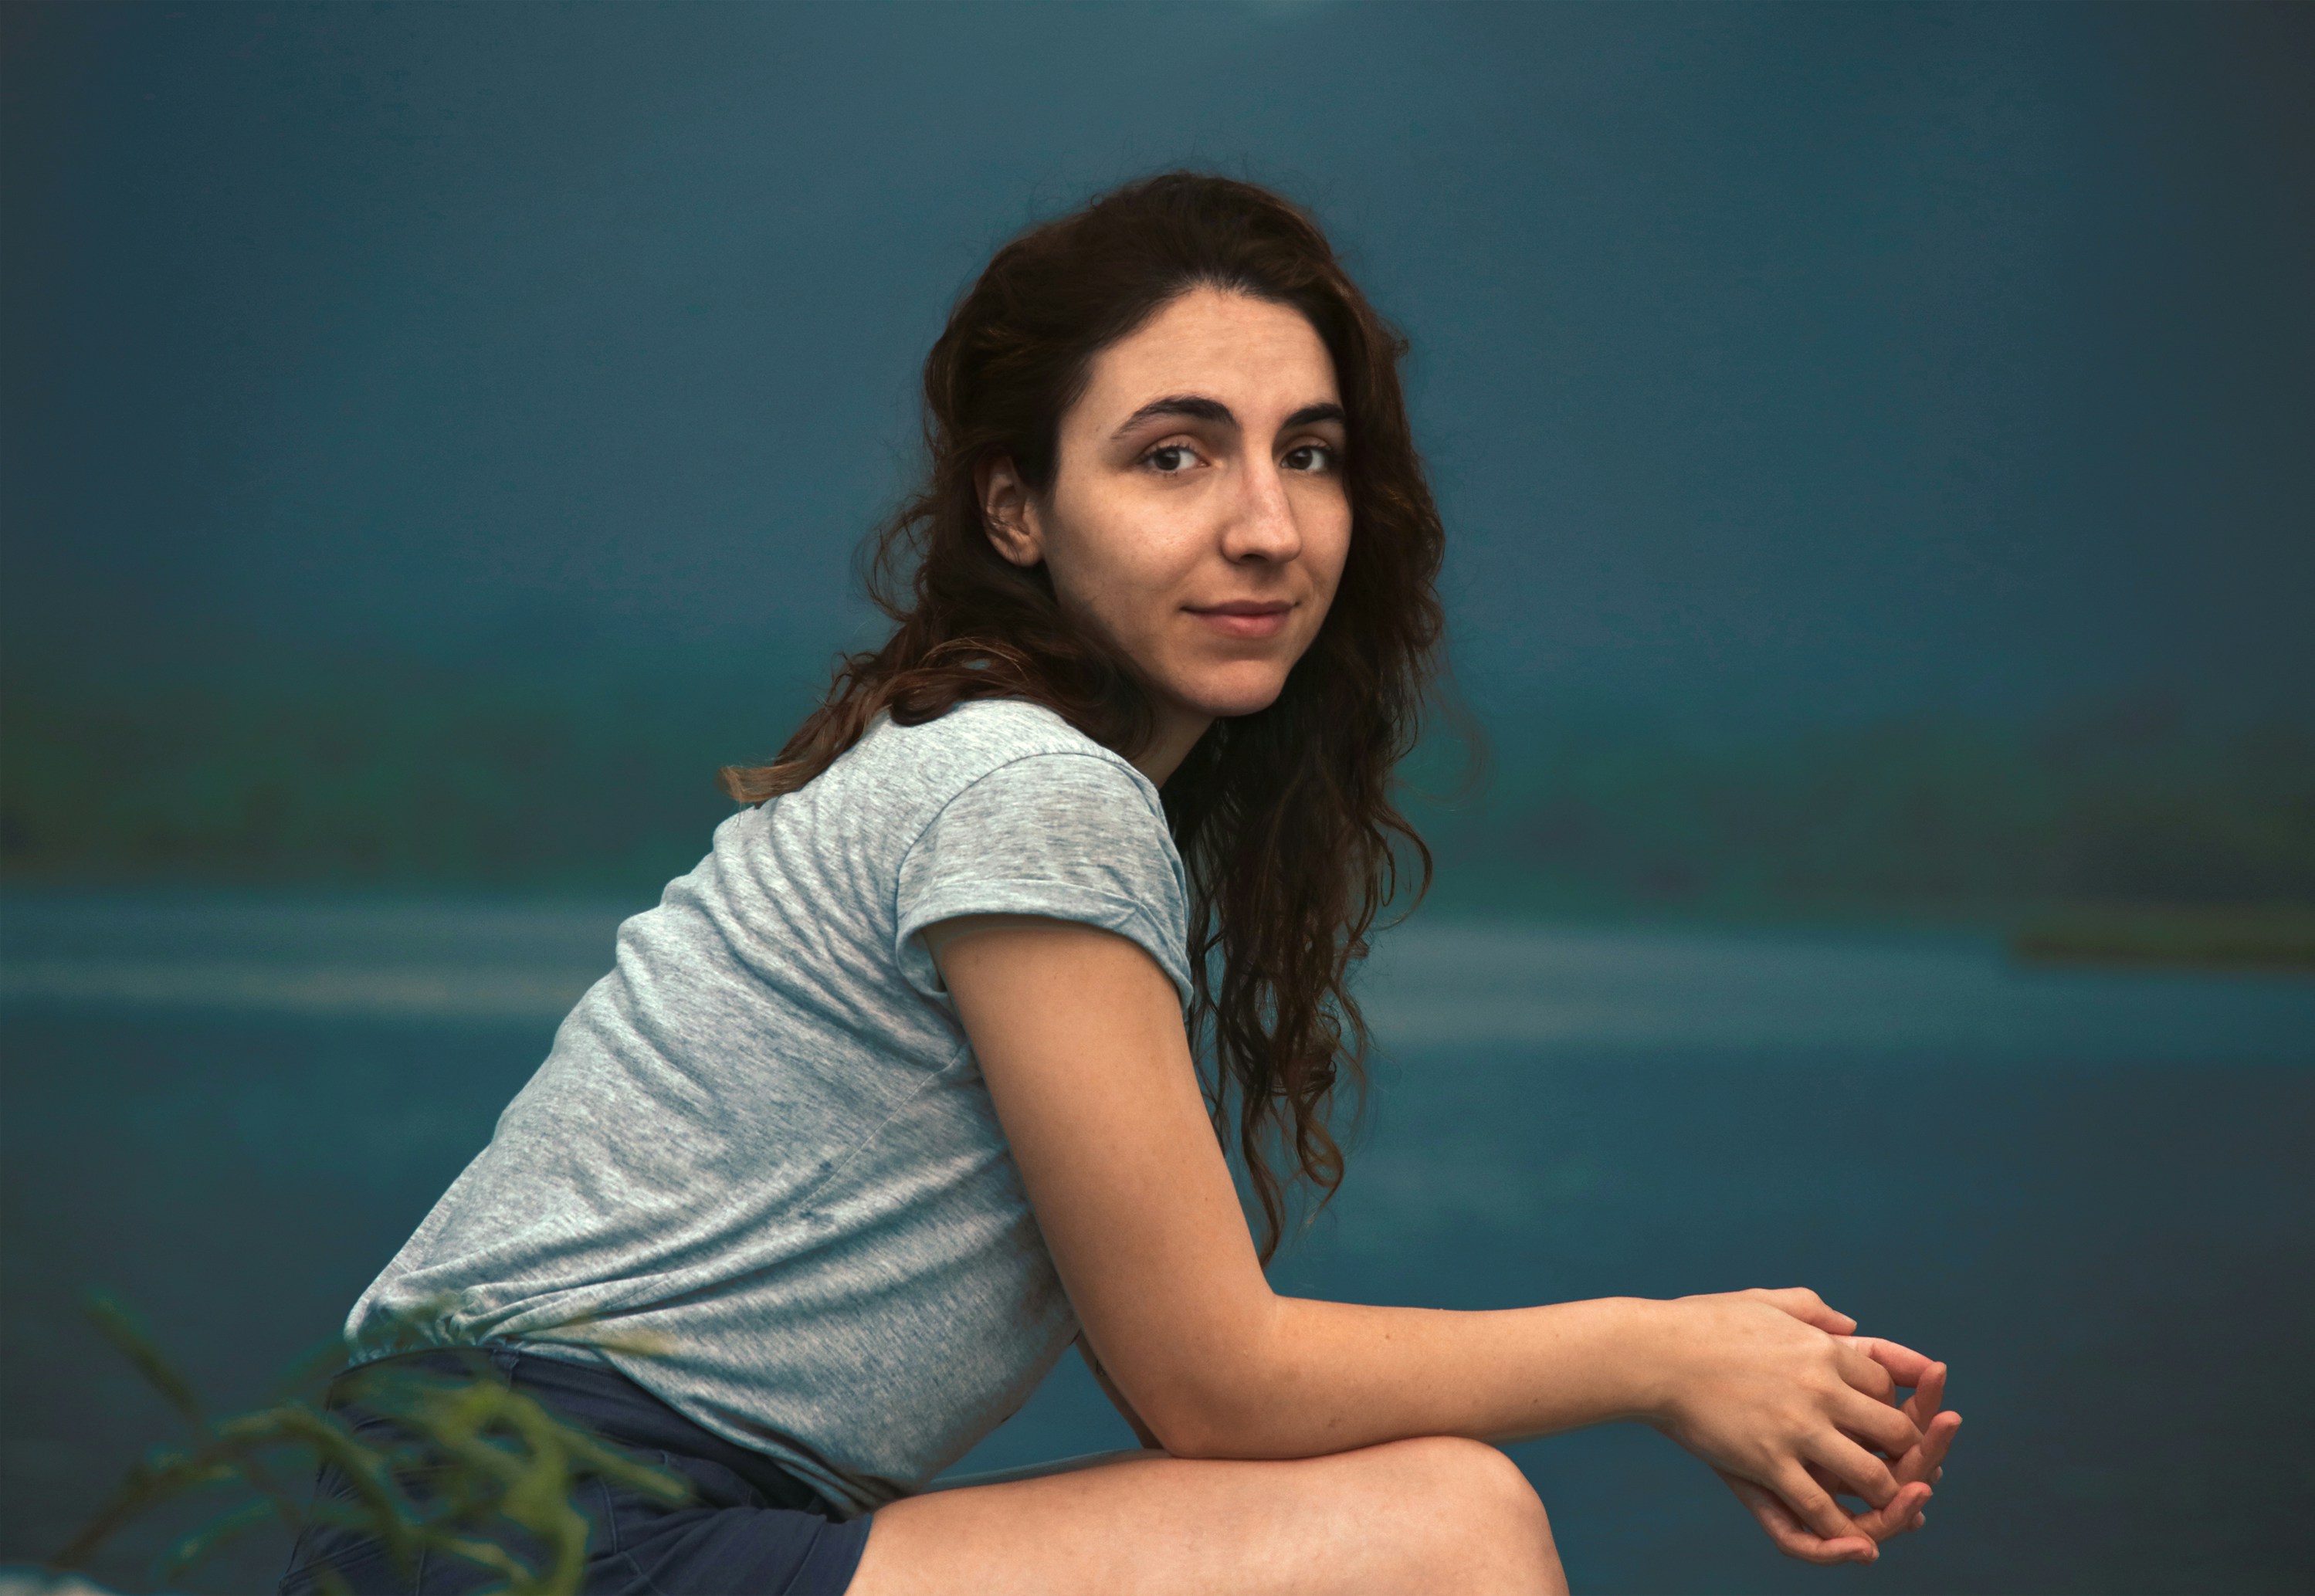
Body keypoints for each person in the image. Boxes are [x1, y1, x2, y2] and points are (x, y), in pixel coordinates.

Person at [279, 171, 1960, 1596]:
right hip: (532, 1526)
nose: (1264, 525)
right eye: (1172, 454)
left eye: (1306, 452)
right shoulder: (1028, 785)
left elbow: (1194, 1414)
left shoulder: (1001, 773)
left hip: (492, 1512)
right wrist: (1659, 1353)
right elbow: (1213, 1381)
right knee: (1448, 1529)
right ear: (1016, 506)